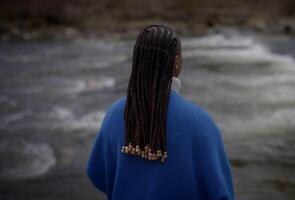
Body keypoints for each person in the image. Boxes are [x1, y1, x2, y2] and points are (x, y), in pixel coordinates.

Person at [86, 24, 236, 200]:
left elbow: (98, 175)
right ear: (176, 62)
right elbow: (221, 193)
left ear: (138, 60)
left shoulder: (114, 114)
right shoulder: (200, 122)